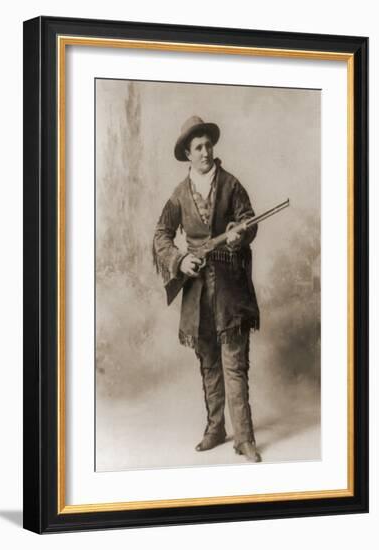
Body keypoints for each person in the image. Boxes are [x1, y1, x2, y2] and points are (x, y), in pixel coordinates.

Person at [153, 116, 261, 462]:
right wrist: (180, 261)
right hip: (197, 293)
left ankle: (244, 438)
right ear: (187, 153)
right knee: (209, 363)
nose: (205, 152)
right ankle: (215, 429)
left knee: (234, 363)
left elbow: (249, 220)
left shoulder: (231, 184)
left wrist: (238, 233)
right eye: (198, 147)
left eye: (208, 145)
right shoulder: (179, 194)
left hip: (231, 290)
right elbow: (161, 236)